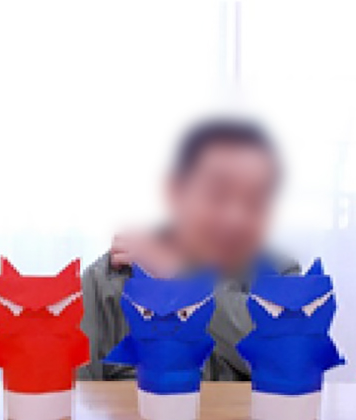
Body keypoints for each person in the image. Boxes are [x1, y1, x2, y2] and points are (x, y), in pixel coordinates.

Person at [79, 118, 300, 381]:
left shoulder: (280, 274)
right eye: (218, 195)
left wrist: (183, 283)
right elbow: (72, 393)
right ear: (175, 192)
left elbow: (290, 361)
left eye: (255, 202)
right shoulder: (109, 280)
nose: (236, 218)